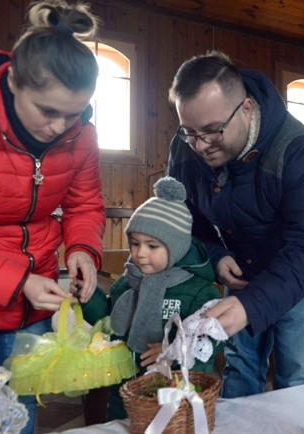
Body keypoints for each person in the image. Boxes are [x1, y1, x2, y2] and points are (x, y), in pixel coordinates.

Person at [0, 1, 105, 432]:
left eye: (73, 113)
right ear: (13, 80)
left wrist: (83, 248)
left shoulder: (80, 133)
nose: (59, 127)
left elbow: (84, 205)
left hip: (32, 301)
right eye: (48, 111)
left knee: (21, 415)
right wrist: (19, 281)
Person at [167, 50, 304, 398]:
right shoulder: (186, 148)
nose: (200, 145)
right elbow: (187, 219)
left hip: (301, 269)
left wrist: (252, 305)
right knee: (240, 367)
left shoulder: (297, 151)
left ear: (246, 109)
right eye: (189, 132)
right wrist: (216, 254)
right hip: (242, 264)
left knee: (296, 377)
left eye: (213, 131)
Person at [82, 176, 224, 420]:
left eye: (152, 246)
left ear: (176, 247)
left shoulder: (198, 290)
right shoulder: (127, 282)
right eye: (135, 243)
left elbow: (213, 336)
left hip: (175, 395)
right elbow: (108, 317)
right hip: (126, 390)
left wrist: (175, 349)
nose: (140, 254)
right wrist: (86, 297)